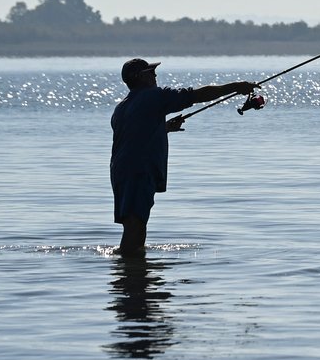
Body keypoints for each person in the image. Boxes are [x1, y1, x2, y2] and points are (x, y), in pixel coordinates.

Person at [110, 58, 256, 252]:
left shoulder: (122, 107)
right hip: (140, 170)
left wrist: (163, 128)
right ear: (140, 77)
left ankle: (134, 273)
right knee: (136, 223)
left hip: (121, 171)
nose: (155, 75)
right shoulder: (153, 96)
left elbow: (134, 135)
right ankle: (130, 272)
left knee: (133, 222)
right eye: (150, 72)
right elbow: (196, 95)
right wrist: (236, 86)